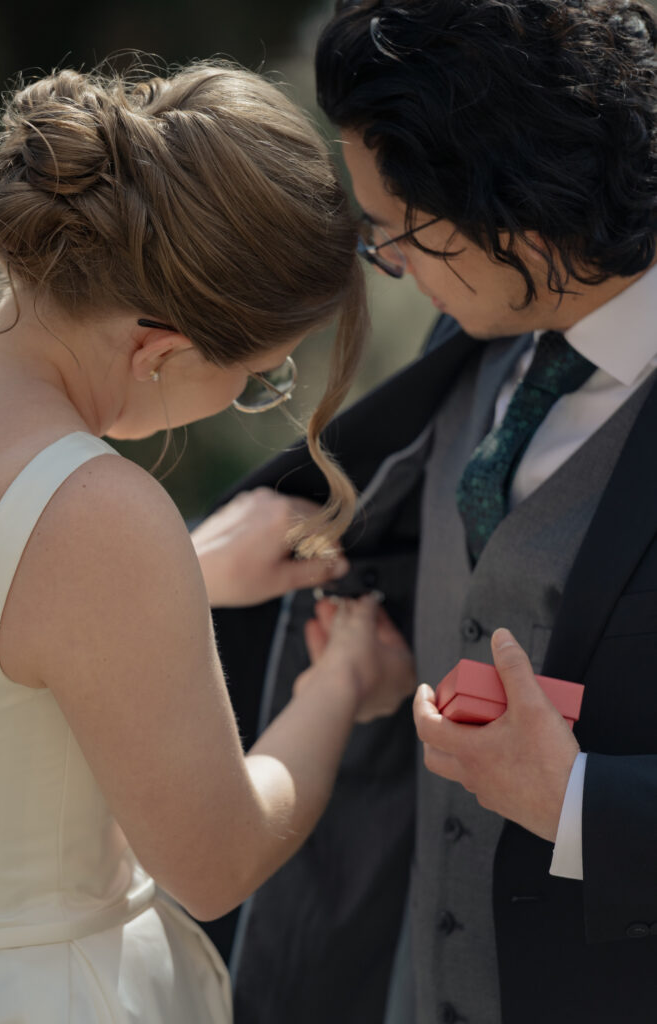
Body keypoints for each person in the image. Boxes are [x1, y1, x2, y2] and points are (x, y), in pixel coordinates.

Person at [0, 61, 418, 1024]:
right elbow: (216, 860)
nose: (248, 399)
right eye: (259, 377)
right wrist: (339, 685)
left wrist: (183, 579)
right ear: (160, 348)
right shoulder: (97, 513)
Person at [198, 2, 657, 1021]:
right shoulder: (485, 331)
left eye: (393, 231)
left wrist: (579, 806)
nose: (389, 262)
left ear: (513, 207)